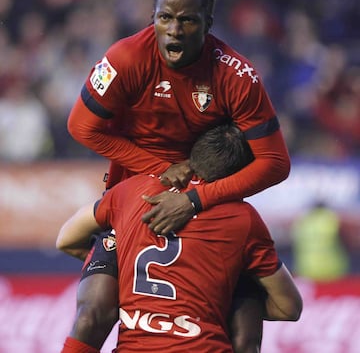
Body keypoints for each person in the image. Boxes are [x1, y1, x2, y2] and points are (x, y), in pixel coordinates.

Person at [66, 0, 291, 351]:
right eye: (164, 18)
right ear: (152, 17)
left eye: (187, 20)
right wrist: (159, 170)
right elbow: (81, 127)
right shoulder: (125, 58)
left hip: (210, 201)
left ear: (208, 24)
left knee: (245, 338)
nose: (174, 30)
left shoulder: (236, 75)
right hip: (138, 198)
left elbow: (275, 162)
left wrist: (194, 199)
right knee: (92, 314)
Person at [57, 124, 302, 353]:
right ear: (241, 175)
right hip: (202, 346)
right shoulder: (243, 219)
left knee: (91, 311)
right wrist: (216, 296)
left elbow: (67, 238)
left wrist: (125, 270)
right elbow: (288, 306)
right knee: (245, 285)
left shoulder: (133, 190)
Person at [291, 200, 350, 281]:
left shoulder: (302, 222)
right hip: (331, 269)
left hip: (306, 269)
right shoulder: (331, 219)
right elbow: (347, 240)